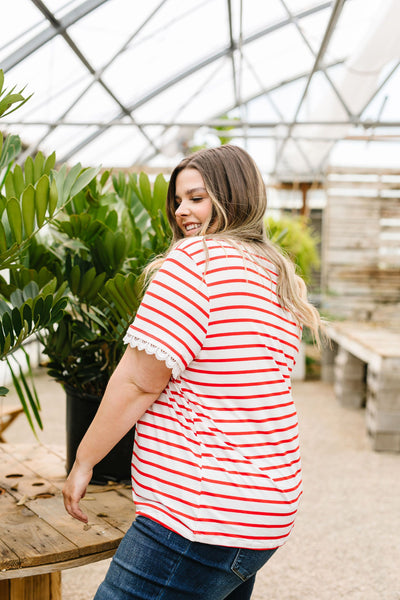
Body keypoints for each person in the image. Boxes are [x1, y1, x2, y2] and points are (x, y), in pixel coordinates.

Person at [63, 144, 322, 600]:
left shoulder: (194, 262)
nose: (182, 211)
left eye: (197, 198)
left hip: (199, 512)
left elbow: (140, 380)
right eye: (178, 200)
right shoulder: (278, 276)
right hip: (263, 507)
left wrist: (84, 460)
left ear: (234, 198)